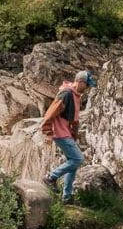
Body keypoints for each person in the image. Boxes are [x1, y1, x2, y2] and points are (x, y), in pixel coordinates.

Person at [41, 68, 97, 204]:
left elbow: (74, 120)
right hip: (59, 133)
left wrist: (74, 135)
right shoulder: (66, 94)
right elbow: (51, 113)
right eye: (87, 85)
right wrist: (48, 132)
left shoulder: (76, 95)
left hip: (66, 133)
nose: (88, 88)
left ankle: (67, 197)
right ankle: (51, 177)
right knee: (78, 159)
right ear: (80, 82)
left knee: (72, 163)